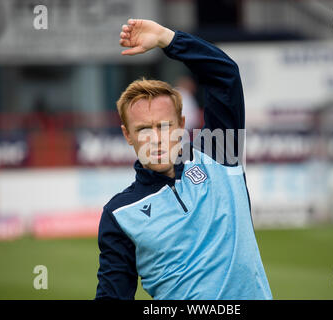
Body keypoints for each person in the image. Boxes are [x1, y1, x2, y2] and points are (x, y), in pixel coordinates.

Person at [95, 18, 272, 300]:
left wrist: (168, 39)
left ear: (180, 124)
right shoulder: (119, 214)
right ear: (127, 135)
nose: (156, 137)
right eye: (143, 129)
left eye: (164, 126)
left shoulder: (218, 155)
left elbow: (225, 75)